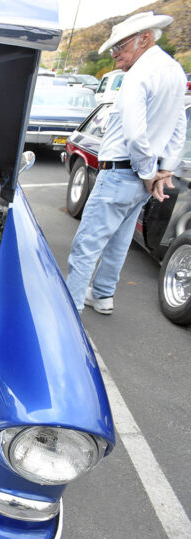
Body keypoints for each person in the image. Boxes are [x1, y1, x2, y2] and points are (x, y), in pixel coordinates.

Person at [65, 11, 187, 315]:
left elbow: (135, 132)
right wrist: (164, 169)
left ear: (144, 38)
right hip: (141, 177)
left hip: (122, 173)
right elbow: (179, 124)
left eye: (119, 47)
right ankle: (103, 296)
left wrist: (149, 172)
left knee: (87, 245)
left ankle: (69, 310)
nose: (115, 55)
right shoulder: (174, 71)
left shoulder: (139, 75)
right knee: (119, 241)